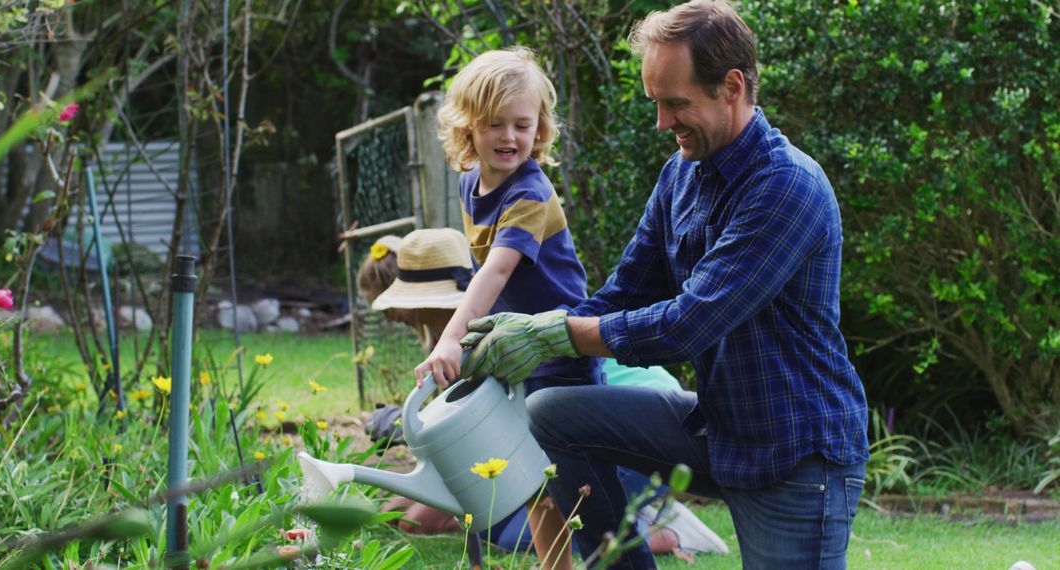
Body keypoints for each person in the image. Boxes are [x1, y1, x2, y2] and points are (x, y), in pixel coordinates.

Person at [457, 2, 870, 568]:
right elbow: (624, 294)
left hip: (797, 453)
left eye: (676, 103)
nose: (662, 122)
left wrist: (556, 333)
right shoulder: (681, 174)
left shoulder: (786, 187)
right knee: (553, 411)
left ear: (731, 87)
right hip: (719, 427)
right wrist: (531, 333)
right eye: (656, 102)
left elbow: (688, 324)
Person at [358, 229, 728, 559]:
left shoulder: (490, 338)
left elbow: (469, 470)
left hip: (634, 431)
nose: (396, 316)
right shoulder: (453, 347)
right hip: (597, 432)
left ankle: (655, 531)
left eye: (399, 305)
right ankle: (634, 512)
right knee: (489, 513)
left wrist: (403, 512)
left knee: (503, 525)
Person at [414, 46, 600, 569]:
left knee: (571, 484)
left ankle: (620, 550)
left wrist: (451, 338)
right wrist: (464, 336)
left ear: (540, 127)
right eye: (495, 124)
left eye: (522, 124)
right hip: (514, 349)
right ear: (467, 127)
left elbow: (497, 270)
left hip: (559, 348)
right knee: (527, 479)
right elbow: (482, 275)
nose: (510, 137)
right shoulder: (470, 183)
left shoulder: (530, 193)